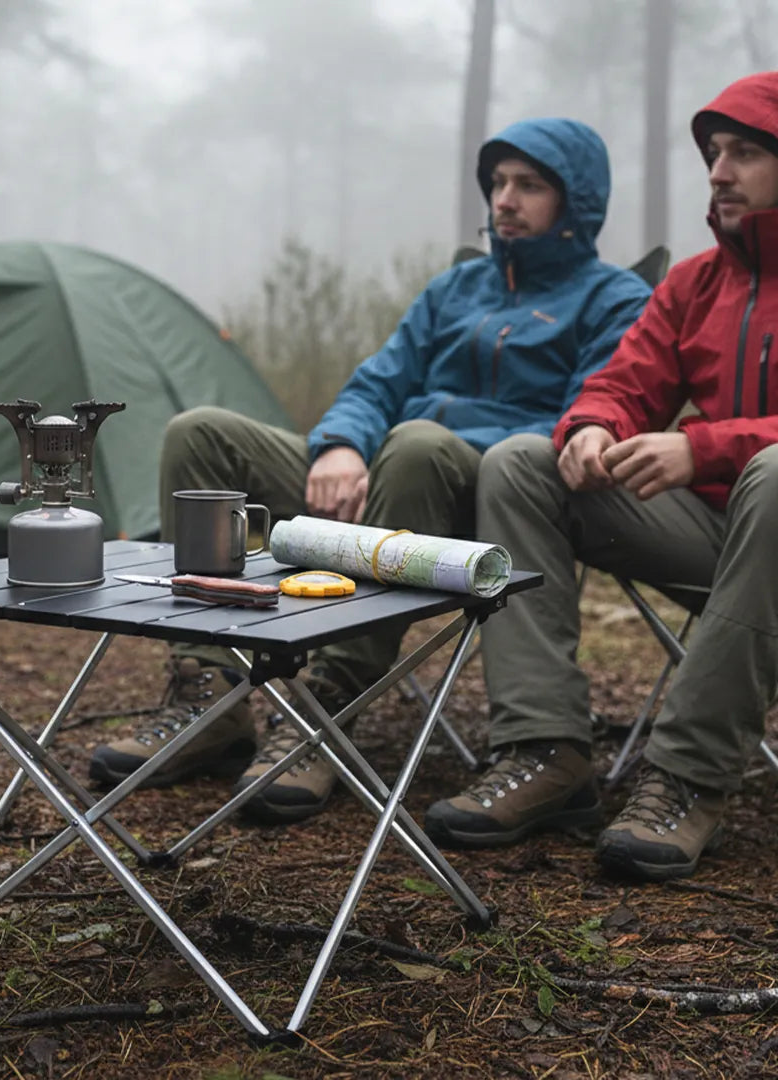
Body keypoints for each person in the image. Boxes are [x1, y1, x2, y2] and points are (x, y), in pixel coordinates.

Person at [89, 117, 651, 826]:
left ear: (577, 201)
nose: (505, 200)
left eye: (529, 185)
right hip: (382, 472)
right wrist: (341, 446)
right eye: (498, 183)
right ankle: (210, 694)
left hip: (482, 499)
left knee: (417, 444)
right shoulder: (456, 289)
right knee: (200, 434)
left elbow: (576, 425)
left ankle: (328, 707)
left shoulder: (613, 300)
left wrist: (417, 442)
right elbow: (377, 382)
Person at [425, 71, 778, 882]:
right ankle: (544, 748)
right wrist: (592, 426)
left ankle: (687, 779)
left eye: (747, 153)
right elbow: (622, 382)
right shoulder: (696, 283)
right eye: (714, 153)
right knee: (524, 462)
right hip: (720, 540)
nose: (720, 171)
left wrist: (704, 448)